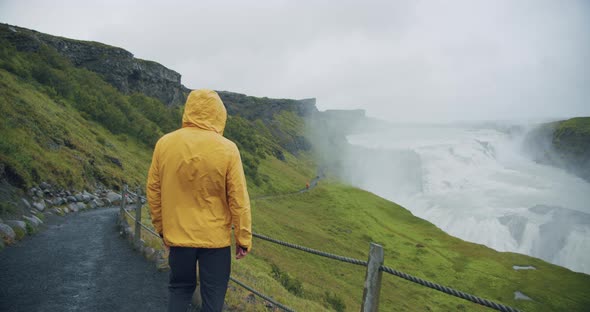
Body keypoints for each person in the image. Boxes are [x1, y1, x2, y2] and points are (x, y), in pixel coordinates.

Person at [147, 89, 252, 312]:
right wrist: (243, 237)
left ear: (189, 109)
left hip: (178, 238)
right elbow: (238, 197)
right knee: (213, 297)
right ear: (219, 114)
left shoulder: (164, 144)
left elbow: (154, 191)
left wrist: (162, 230)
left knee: (179, 289)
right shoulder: (228, 149)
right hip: (215, 242)